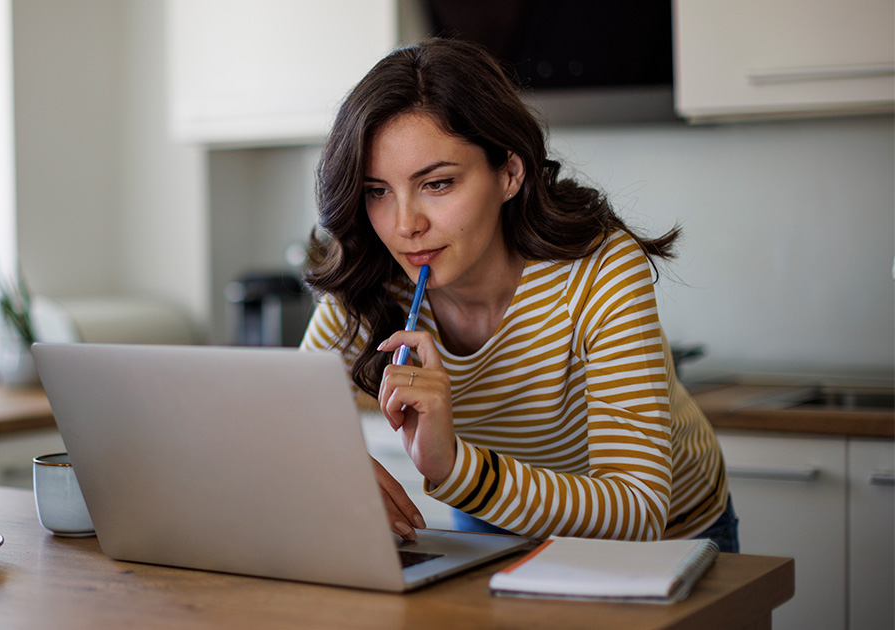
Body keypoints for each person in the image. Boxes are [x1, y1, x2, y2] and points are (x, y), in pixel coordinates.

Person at [299, 38, 738, 553]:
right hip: (497, 519)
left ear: (509, 172)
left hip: (668, 537)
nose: (404, 226)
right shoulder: (374, 274)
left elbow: (638, 507)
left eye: (437, 184)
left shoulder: (599, 268)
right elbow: (289, 421)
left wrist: (456, 469)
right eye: (377, 191)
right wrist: (333, 466)